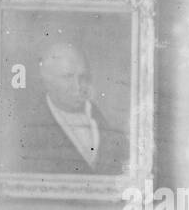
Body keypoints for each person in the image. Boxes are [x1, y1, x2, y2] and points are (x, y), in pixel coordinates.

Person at [12, 41, 128, 175]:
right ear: (47, 81)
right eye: (68, 77)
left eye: (83, 77)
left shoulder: (106, 125)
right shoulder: (28, 132)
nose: (78, 86)